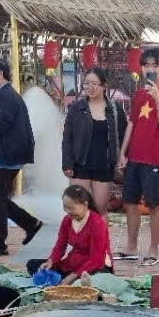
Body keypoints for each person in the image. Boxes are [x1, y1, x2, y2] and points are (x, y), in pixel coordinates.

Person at [117, 48, 159, 266]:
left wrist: (158, 97)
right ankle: (131, 247)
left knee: (153, 205)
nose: (150, 69)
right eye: (146, 65)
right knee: (130, 203)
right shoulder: (139, 93)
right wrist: (123, 153)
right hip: (135, 157)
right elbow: (132, 123)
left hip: (156, 158)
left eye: (155, 65)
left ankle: (153, 249)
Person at [0, 57, 42, 257]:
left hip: (5, 156)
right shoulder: (3, 95)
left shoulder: (5, 97)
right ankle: (31, 224)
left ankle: (0, 244)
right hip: (4, 154)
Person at [62, 66, 125, 214]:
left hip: (104, 166)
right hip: (80, 165)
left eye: (94, 84)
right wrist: (67, 163)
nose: (90, 87)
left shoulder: (115, 109)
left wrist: (123, 157)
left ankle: (101, 238)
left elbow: (122, 136)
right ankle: (78, 238)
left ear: (103, 86)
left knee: (100, 209)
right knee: (77, 208)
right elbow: (67, 138)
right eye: (86, 83)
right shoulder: (76, 108)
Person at [36, 185, 111, 284]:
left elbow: (96, 259)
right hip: (74, 262)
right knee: (35, 266)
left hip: (95, 265)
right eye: (65, 207)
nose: (67, 211)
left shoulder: (97, 223)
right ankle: (69, 279)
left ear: (85, 205)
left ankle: (73, 280)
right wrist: (51, 261)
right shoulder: (67, 220)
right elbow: (60, 246)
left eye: (71, 208)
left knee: (90, 281)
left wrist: (73, 276)